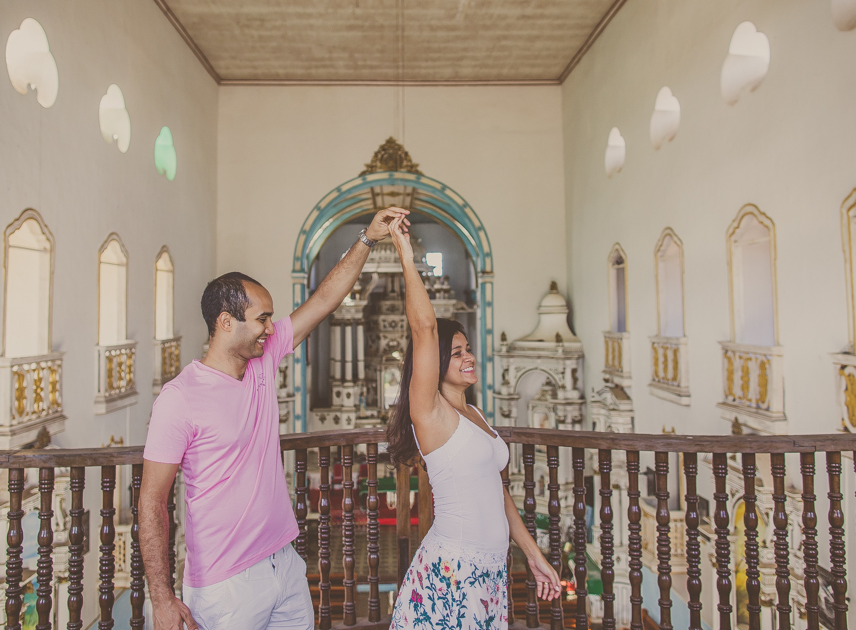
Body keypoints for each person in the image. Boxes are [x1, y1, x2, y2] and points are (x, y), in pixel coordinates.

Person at [140, 207, 409, 630]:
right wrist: (161, 598)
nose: (270, 328)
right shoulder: (180, 398)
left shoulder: (262, 360)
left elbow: (324, 300)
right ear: (225, 322)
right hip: (226, 583)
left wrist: (368, 239)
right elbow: (152, 501)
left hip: (283, 562)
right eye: (261, 319)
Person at [384, 216, 560, 629]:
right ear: (434, 365)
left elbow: (497, 492)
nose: (468, 357)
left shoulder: (475, 414)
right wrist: (406, 254)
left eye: (468, 348)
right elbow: (424, 328)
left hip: (490, 569)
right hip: (453, 568)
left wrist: (533, 555)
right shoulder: (431, 414)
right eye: (456, 353)